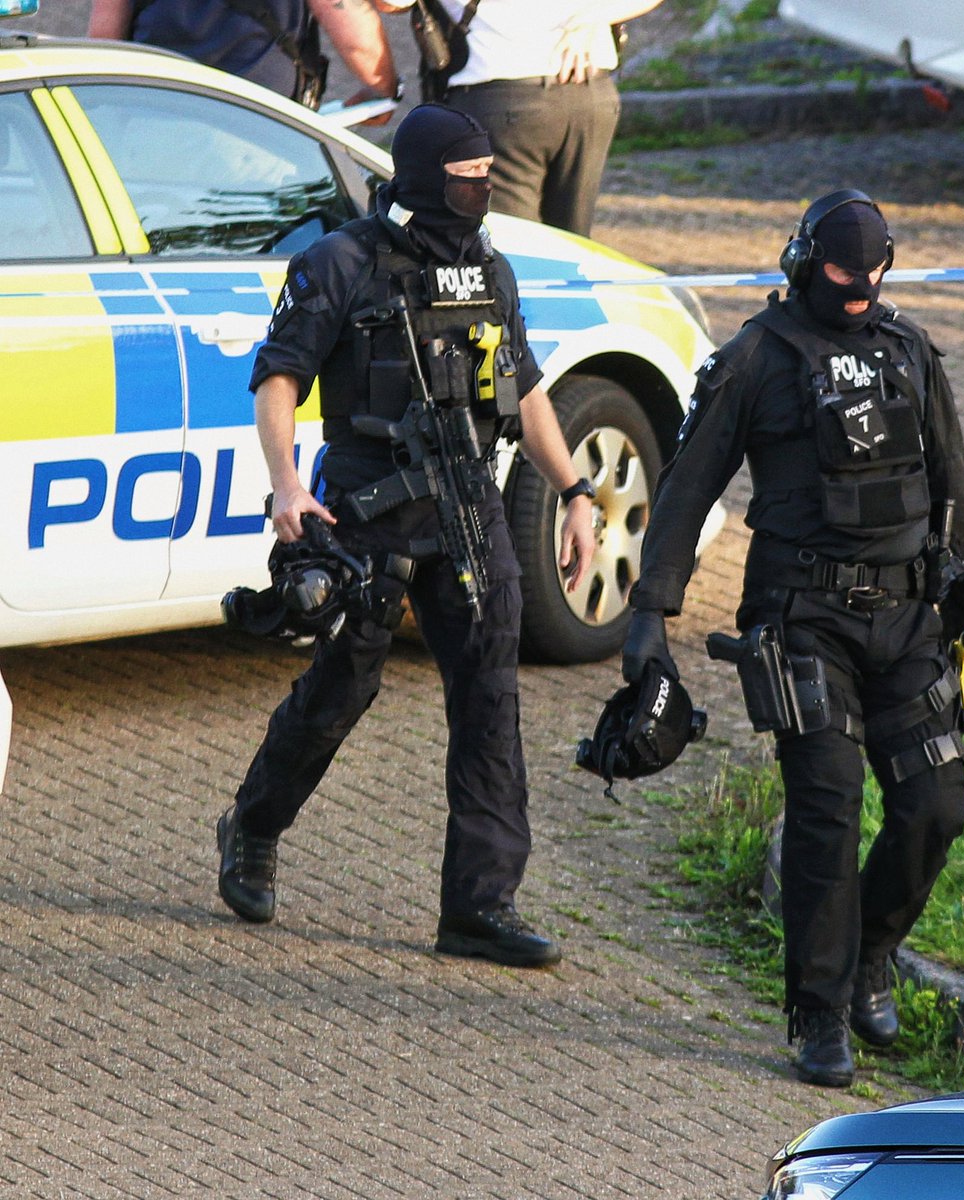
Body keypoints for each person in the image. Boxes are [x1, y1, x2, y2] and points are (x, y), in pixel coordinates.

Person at [621, 191, 964, 1087]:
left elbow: (953, 474)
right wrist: (649, 612)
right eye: (841, 274)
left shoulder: (907, 347)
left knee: (936, 805)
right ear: (801, 262)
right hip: (802, 619)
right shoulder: (755, 358)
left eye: (874, 274)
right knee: (828, 809)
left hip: (909, 620)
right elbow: (687, 488)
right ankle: (820, 1012)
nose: (860, 290)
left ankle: (873, 954)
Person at [216, 102, 596, 968]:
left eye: (489, 175)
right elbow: (278, 381)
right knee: (342, 688)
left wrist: (574, 489)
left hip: (471, 513)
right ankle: (253, 825)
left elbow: (526, 390)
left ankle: (479, 906)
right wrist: (285, 489)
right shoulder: (341, 263)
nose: (484, 190)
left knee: (489, 698)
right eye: (468, 178)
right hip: (371, 515)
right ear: (427, 178)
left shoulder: (491, 269)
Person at [408, 0, 663, 237]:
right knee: (574, 244)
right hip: (589, 93)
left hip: (499, 100)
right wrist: (591, 18)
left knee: (512, 245)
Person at [87, 0, 401, 112]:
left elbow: (104, 36)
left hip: (153, 106)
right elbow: (352, 32)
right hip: (256, 121)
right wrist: (384, 90)